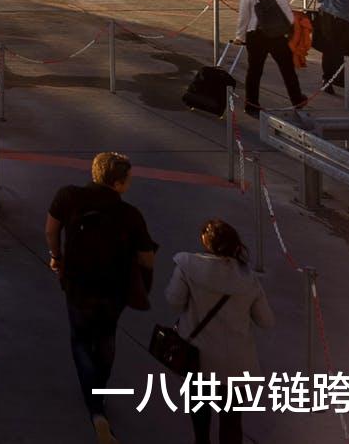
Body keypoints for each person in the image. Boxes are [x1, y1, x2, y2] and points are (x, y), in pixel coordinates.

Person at [46, 151, 157, 444]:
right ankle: (99, 394)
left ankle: (96, 410)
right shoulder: (130, 214)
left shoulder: (68, 196)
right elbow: (147, 257)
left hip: (77, 284)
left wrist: (57, 257)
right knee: (106, 338)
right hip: (113, 290)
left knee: (80, 341)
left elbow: (51, 230)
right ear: (118, 184)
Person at [162, 218, 273, 444]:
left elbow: (174, 301)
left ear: (205, 242)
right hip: (235, 365)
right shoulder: (248, 280)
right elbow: (266, 321)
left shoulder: (187, 265)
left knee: (200, 418)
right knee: (231, 422)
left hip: (198, 360)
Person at [234, 0, 303, 118]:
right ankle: (297, 100)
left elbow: (243, 18)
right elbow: (290, 19)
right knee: (287, 70)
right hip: (277, 37)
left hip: (255, 35)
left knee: (254, 71)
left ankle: (251, 104)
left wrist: (240, 37)